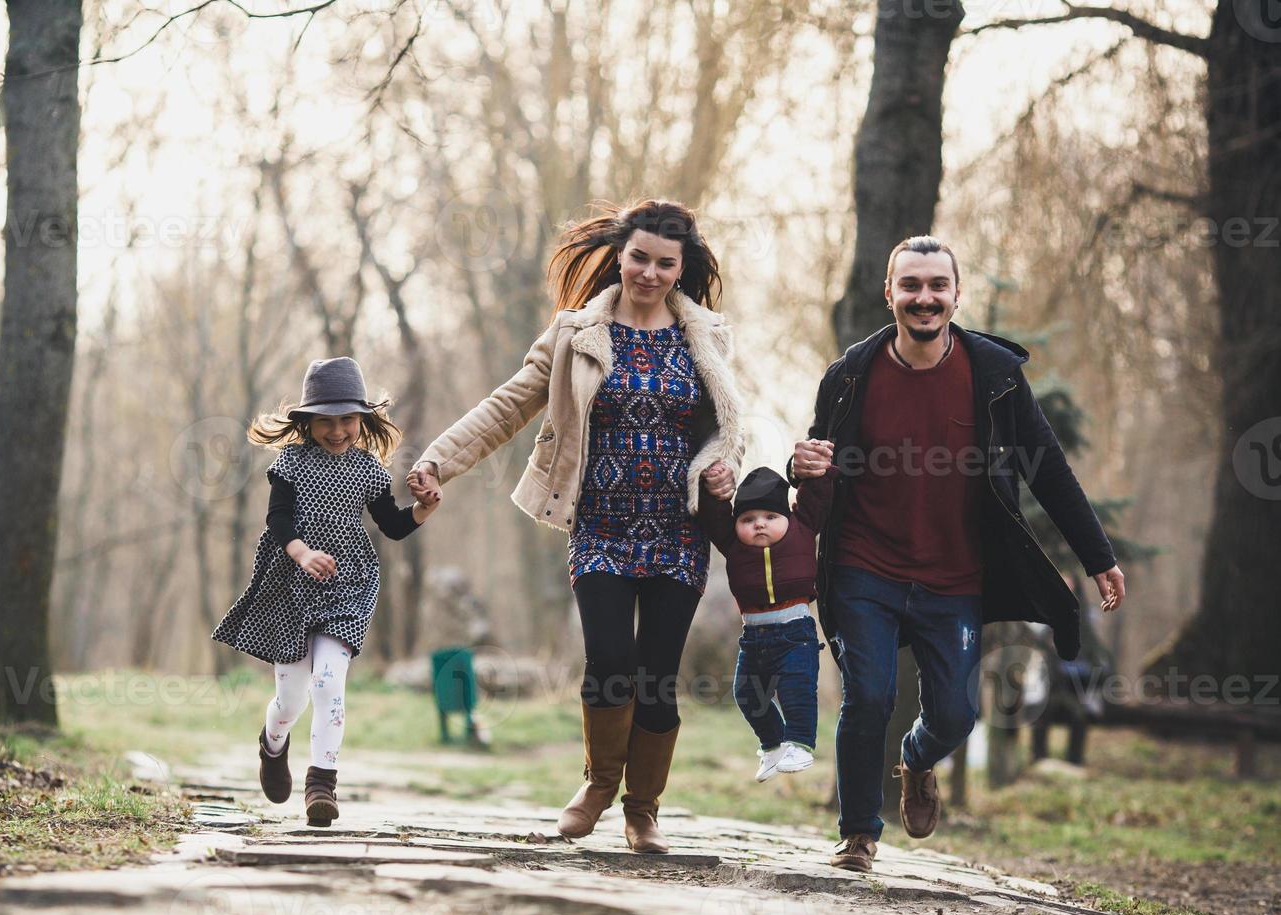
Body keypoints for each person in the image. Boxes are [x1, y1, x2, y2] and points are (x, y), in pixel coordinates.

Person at [407, 200, 745, 853]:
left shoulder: (708, 336)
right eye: (639, 257)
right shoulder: (576, 333)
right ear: (621, 255)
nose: (649, 272)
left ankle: (642, 809)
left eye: (664, 263)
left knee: (656, 677)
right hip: (600, 526)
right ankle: (597, 785)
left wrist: (722, 468)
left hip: (678, 530)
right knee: (609, 663)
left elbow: (724, 431)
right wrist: (438, 462)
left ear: (683, 267)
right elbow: (508, 404)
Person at [790, 235, 1126, 873]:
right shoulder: (849, 376)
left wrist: (1096, 555)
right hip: (866, 564)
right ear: (889, 293)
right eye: (910, 285)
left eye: (936, 286)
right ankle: (858, 834)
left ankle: (917, 761)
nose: (924, 298)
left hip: (954, 576)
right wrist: (796, 465)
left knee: (955, 714)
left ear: (955, 294)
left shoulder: (995, 377)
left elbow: (1047, 469)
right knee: (868, 696)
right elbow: (818, 463)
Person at [211, 356, 438, 827]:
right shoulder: (291, 463)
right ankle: (273, 744)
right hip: (289, 585)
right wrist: (300, 553)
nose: (337, 430)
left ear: (363, 419)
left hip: (347, 586)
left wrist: (422, 509)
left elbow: (393, 528)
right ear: (308, 421)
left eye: (347, 419)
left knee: (329, 682)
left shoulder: (370, 471)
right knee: (291, 698)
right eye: (326, 421)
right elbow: (277, 520)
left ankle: (322, 784)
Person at [699, 464, 836, 782]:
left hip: (795, 633)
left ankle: (800, 744)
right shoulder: (733, 545)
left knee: (796, 688)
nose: (759, 524)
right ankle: (772, 746)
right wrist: (712, 485)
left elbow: (817, 496)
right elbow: (713, 514)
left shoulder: (802, 529)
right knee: (747, 692)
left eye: (770, 518)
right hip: (754, 636)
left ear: (786, 517)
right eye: (748, 520)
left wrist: (819, 467)